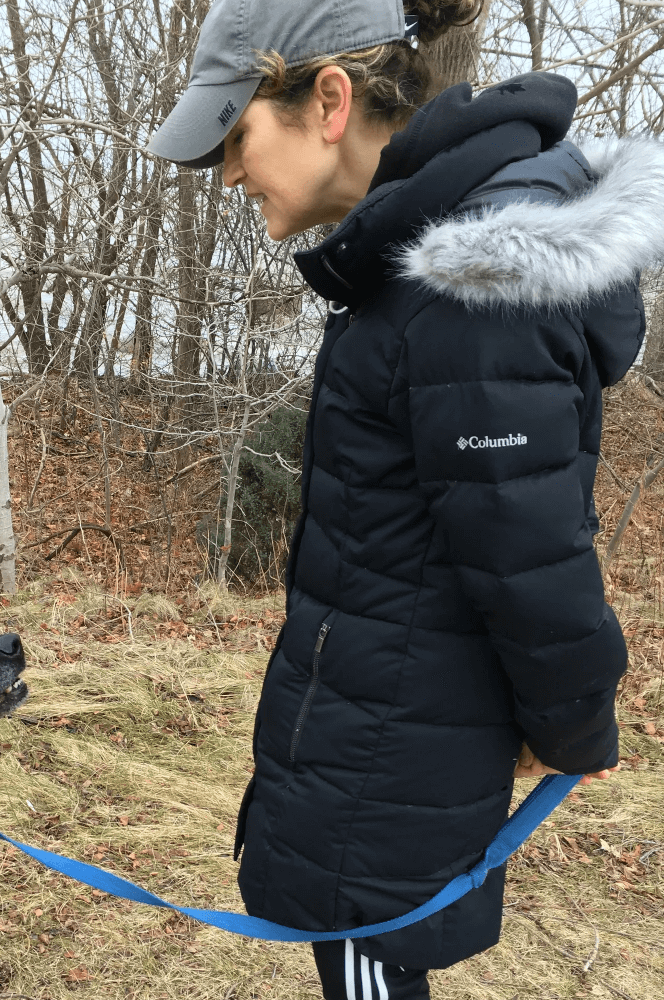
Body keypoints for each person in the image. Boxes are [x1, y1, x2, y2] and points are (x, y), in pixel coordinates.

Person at [147, 0, 664, 997]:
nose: (227, 173)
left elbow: (529, 555)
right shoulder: (418, 255)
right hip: (375, 740)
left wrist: (572, 725)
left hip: (390, 765)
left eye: (236, 133)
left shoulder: (466, 279)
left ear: (327, 100)